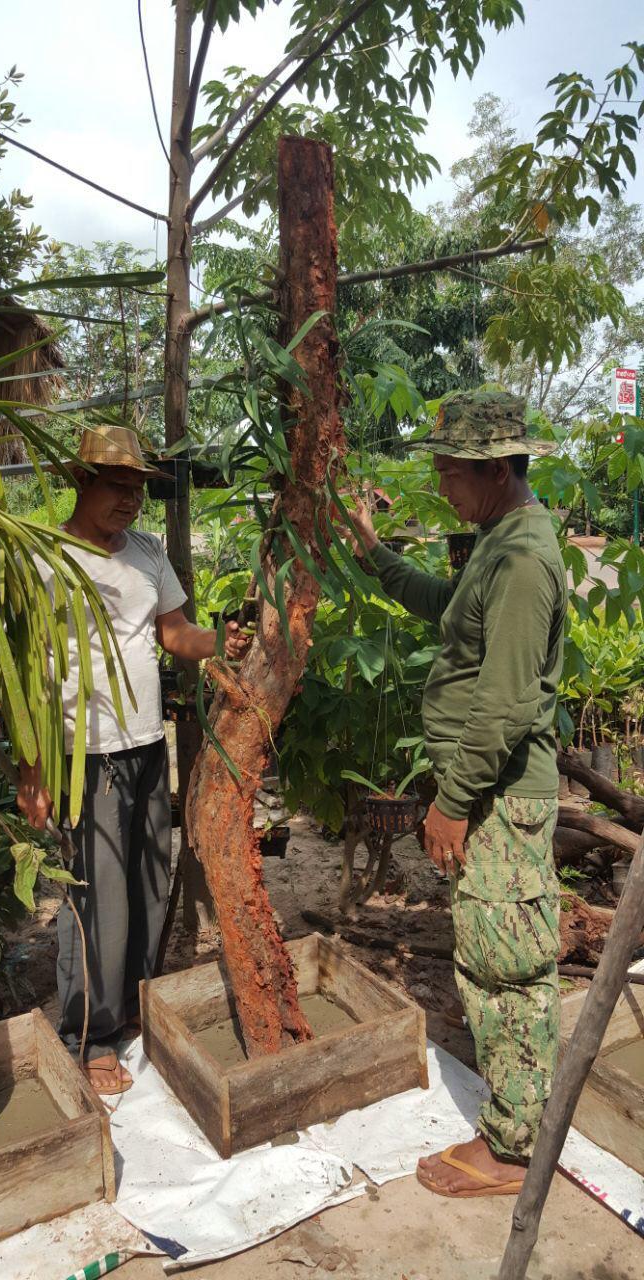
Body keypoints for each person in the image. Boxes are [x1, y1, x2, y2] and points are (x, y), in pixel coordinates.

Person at [346, 390, 567, 1197]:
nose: (440, 485)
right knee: (492, 957)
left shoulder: (523, 558)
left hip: (502, 797)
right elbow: (449, 615)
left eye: (448, 471)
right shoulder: (495, 542)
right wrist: (375, 553)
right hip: (491, 794)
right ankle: (518, 1108)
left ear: (496, 469)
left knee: (506, 967)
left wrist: (452, 800)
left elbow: (506, 699)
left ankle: (515, 1150)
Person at [17, 424, 249, 1094]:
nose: (130, 501)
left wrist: (220, 644)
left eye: (138, 489)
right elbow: (27, 670)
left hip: (146, 745)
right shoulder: (46, 556)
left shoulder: (147, 551)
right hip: (79, 754)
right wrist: (33, 772)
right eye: (116, 486)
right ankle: (88, 1034)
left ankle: (132, 1015)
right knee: (97, 902)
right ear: (81, 483)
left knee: (147, 890)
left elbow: (173, 632)